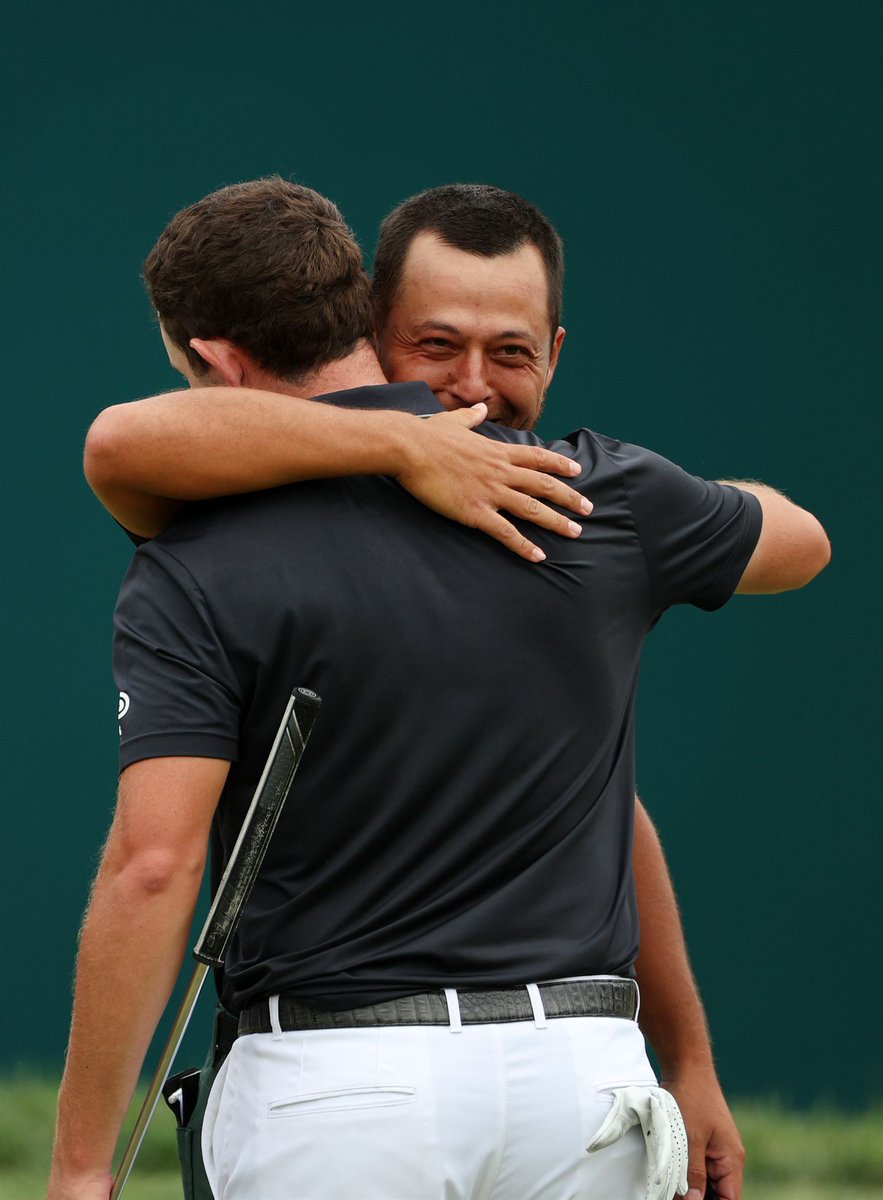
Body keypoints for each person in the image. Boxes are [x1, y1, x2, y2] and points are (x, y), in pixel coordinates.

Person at [50, 180, 829, 1200]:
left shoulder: (194, 553)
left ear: (213, 364)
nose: (475, 382)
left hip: (331, 1095)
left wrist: (77, 1169)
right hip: (584, 1093)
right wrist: (684, 1060)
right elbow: (799, 541)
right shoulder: (596, 497)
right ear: (365, 322)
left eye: (508, 351)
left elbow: (153, 868)